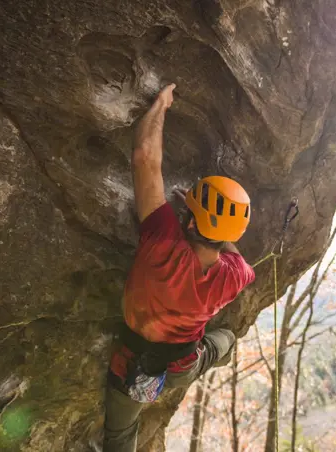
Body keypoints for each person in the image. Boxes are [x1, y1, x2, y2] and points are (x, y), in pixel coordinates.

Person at [101, 83, 256, 452]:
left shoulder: (163, 244)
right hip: (182, 366)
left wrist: (160, 105)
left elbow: (144, 158)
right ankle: (216, 349)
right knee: (227, 340)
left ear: (188, 222)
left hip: (135, 369)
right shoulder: (234, 276)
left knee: (120, 436)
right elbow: (236, 256)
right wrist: (215, 224)